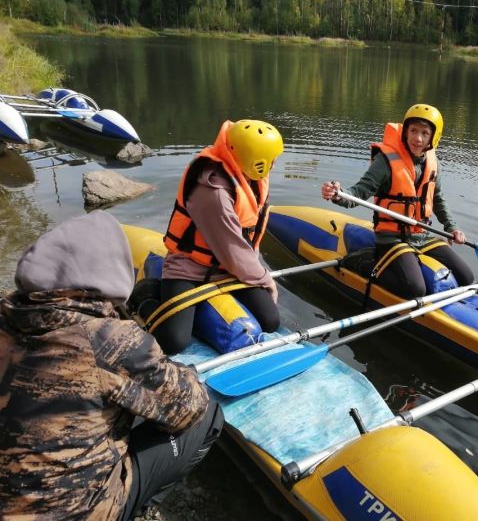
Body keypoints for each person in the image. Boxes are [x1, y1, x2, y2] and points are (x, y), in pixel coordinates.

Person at [0, 210, 224, 520]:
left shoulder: (6, 316)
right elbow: (190, 406)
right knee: (208, 414)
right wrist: (180, 373)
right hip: (70, 512)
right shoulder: (108, 340)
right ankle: (133, 506)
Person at [321, 103, 474, 298]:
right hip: (391, 237)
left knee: (466, 277)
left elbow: (437, 199)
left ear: (433, 137)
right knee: (415, 289)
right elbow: (359, 192)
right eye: (413, 131)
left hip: (422, 235)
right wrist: (338, 194)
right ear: (405, 131)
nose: (417, 138)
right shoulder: (385, 162)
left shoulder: (434, 164)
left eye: (424, 133)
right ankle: (364, 262)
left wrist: (452, 228)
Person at [157, 119, 283, 354]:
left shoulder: (250, 177)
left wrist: (257, 271)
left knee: (271, 321)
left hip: (229, 271)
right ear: (256, 161)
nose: (275, 164)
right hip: (189, 269)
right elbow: (233, 251)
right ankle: (149, 294)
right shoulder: (212, 190)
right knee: (174, 342)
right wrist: (266, 280)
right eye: (272, 159)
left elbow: (242, 247)